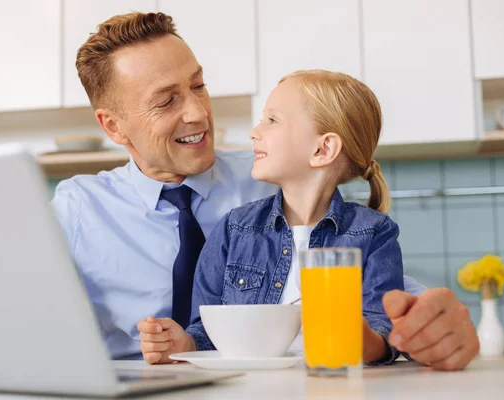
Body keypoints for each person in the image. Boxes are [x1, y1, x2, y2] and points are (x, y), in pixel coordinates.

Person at [52, 11, 479, 370]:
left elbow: (365, 286)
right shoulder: (77, 209)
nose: (199, 113)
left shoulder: (269, 176)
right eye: (166, 101)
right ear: (113, 125)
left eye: (198, 85)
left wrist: (434, 323)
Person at [139, 69, 406, 365]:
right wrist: (184, 342)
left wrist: (358, 335)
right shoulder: (234, 229)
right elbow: (206, 332)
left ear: (322, 149)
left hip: (333, 386)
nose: (255, 131)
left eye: (272, 120)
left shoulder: (374, 234)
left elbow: (385, 334)